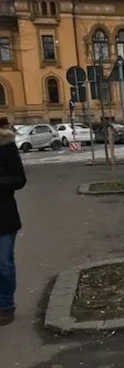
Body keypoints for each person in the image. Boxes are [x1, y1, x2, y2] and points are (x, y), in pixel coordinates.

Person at [0, 117, 26, 326]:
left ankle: (6, 306)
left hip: (4, 215)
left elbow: (19, 179)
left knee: (4, 263)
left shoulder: (5, 145)